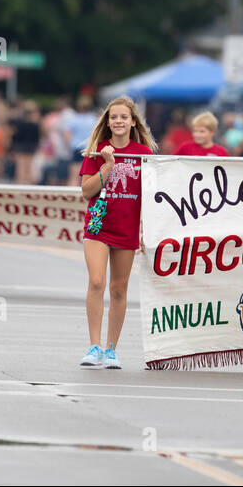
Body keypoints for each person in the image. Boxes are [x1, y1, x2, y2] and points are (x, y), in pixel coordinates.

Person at [77, 96, 156, 370]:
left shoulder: (144, 154)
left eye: (124, 117)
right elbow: (86, 190)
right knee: (97, 282)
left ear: (133, 122)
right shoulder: (97, 151)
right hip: (98, 226)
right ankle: (94, 345)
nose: (118, 121)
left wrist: (147, 230)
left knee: (119, 289)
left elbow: (152, 196)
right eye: (113, 117)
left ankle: (112, 349)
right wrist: (107, 167)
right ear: (107, 122)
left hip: (127, 227)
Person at [10, 100, 41, 184]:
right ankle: (28, 185)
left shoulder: (20, 122)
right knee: (29, 167)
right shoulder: (35, 124)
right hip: (31, 147)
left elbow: (16, 136)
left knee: (21, 167)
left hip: (20, 146)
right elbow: (37, 137)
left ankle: (21, 185)